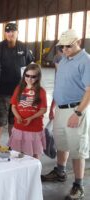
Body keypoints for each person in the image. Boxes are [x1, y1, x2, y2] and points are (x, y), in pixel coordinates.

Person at [41, 29, 90, 200]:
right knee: (61, 143)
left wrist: (77, 113)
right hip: (61, 109)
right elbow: (60, 82)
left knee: (77, 149)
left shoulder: (86, 61)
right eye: (61, 46)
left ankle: (78, 185)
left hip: (75, 110)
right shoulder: (64, 58)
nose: (64, 49)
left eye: (68, 46)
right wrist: (54, 105)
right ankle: (60, 172)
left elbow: (89, 91)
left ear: (79, 41)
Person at [0, 22, 34, 144]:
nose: (10, 34)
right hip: (1, 93)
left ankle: (12, 146)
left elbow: (32, 68)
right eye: (8, 31)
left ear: (17, 33)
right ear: (5, 33)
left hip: (19, 94)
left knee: (14, 122)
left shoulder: (23, 48)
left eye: (13, 31)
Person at [8, 64, 47, 159]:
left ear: (38, 77)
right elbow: (13, 106)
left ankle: (34, 171)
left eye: (33, 76)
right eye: (27, 75)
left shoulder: (41, 91)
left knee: (34, 152)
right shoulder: (19, 89)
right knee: (18, 152)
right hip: (19, 127)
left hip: (34, 128)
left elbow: (43, 109)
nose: (29, 79)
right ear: (24, 75)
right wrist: (18, 117)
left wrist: (31, 118)